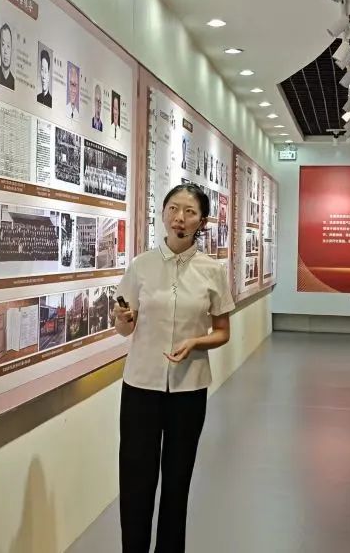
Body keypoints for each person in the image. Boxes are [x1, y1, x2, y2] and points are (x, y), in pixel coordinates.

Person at [113, 183, 235, 553]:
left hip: (189, 388)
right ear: (163, 213)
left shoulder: (213, 271)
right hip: (141, 386)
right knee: (135, 480)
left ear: (202, 221)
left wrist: (195, 342)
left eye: (189, 212)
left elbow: (223, 331)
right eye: (173, 209)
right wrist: (122, 319)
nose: (179, 218)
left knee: (177, 480)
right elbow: (124, 328)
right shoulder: (142, 265)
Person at [0, 23, 15, 90]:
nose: (5, 51)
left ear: (12, 50)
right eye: (3, 44)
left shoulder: (13, 82)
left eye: (8, 46)